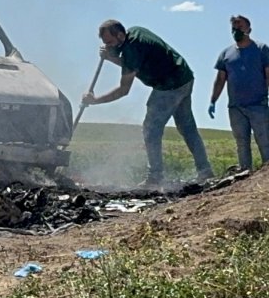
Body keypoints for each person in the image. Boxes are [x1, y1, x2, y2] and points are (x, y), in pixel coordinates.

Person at [81, 19, 214, 187]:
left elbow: (123, 90)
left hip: (169, 86)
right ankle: (205, 171)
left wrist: (95, 101)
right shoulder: (135, 32)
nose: (107, 46)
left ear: (120, 35)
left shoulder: (131, 49)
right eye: (105, 43)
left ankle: (155, 177)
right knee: (187, 128)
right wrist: (111, 56)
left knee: (151, 129)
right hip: (184, 78)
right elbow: (133, 63)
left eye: (109, 42)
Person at [207, 15, 269, 172]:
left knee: (264, 142)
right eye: (233, 28)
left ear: (249, 29)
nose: (236, 30)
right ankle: (245, 175)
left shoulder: (261, 49)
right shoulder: (226, 54)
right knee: (241, 143)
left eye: (240, 27)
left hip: (258, 104)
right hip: (235, 107)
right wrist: (213, 100)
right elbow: (220, 79)